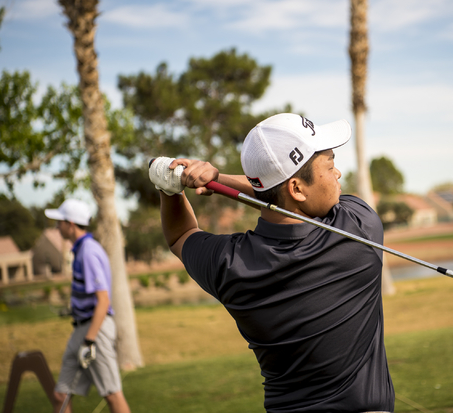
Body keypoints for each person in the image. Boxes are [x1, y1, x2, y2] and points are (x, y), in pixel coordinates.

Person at [152, 113, 394, 412]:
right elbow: (276, 196)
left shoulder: (229, 264)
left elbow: (181, 235)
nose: (338, 174)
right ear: (297, 188)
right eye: (330, 166)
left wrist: (169, 186)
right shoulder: (360, 229)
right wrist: (220, 180)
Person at [44, 199, 131, 413]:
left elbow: (103, 301)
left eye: (60, 222)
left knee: (112, 395)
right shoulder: (81, 249)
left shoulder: (89, 251)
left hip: (95, 330)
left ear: (71, 224)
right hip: (81, 330)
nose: (57, 226)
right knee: (60, 395)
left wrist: (90, 341)